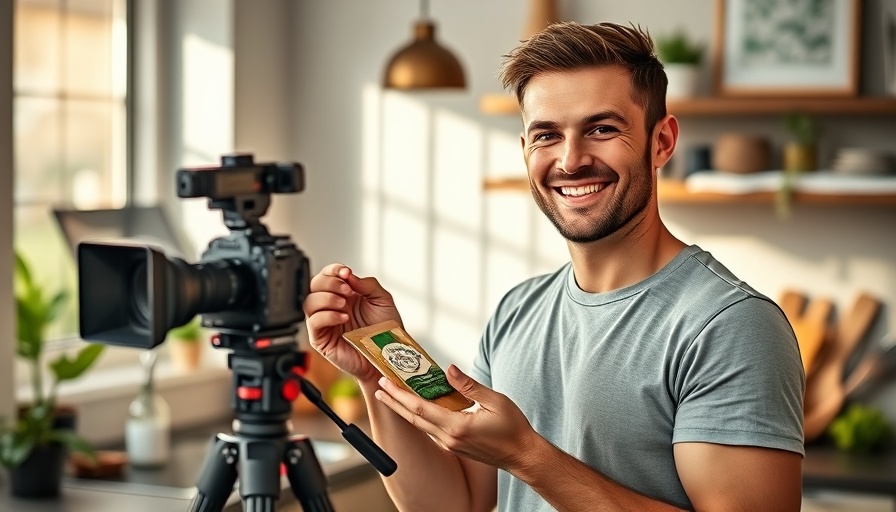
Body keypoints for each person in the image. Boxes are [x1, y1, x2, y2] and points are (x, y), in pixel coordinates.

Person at [303, 21, 804, 512]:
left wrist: (527, 456)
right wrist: (377, 370)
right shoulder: (516, 311)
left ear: (662, 142)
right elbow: (457, 502)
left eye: (602, 129)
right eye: (546, 135)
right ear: (525, 152)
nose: (570, 160)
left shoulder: (730, 325)